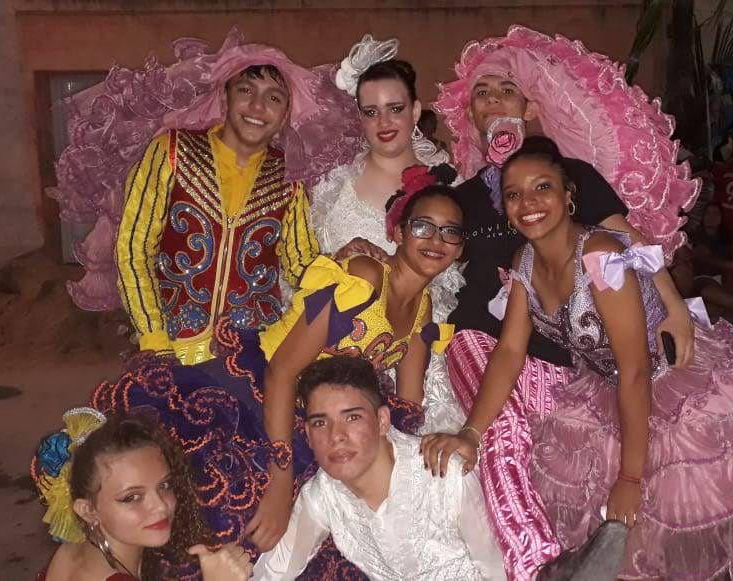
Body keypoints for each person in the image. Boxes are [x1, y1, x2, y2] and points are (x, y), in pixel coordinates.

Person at [422, 139, 733, 580]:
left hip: (668, 386)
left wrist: (630, 478)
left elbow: (636, 370)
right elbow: (508, 352)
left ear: (568, 195)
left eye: (542, 187)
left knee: (684, 518)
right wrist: (471, 432)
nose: (528, 203)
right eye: (514, 194)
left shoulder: (600, 255)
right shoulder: (524, 261)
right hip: (605, 386)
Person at [92, 172, 463, 577]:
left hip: (317, 418)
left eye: (451, 232)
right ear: (399, 232)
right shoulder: (364, 277)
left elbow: (405, 411)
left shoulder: (423, 311)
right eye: (423, 226)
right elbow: (283, 371)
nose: (436, 240)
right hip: (259, 395)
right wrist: (280, 481)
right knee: (231, 514)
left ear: (460, 247)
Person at [431, 26, 699, 578]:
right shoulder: (507, 244)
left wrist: (675, 307)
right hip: (555, 357)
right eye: (482, 94)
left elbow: (634, 257)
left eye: (506, 90)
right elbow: (506, 348)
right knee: (527, 442)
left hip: (624, 367)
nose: (527, 203)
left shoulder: (591, 231)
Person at [51, 29, 361, 363]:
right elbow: (133, 248)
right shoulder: (173, 151)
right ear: (225, 98)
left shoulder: (288, 177)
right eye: (246, 91)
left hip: (254, 353)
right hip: (172, 347)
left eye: (274, 98)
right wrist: (154, 338)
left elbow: (300, 263)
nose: (258, 106)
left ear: (286, 113)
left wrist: (346, 266)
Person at [307, 35, 465, 434]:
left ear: (415, 111)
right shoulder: (332, 190)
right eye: (371, 112)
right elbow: (304, 277)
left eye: (395, 109)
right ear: (359, 118)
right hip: (341, 354)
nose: (384, 123)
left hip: (428, 354)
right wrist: (337, 263)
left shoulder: (452, 190)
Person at [252, 356, 505, 580]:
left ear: (382, 421)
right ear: (308, 435)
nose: (336, 436)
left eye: (352, 417)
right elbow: (274, 571)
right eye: (320, 423)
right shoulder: (323, 495)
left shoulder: (443, 474)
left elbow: (499, 570)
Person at [32, 409, 252, 580]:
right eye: (132, 497)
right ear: (88, 510)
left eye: (164, 485)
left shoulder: (72, 550)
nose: (161, 506)